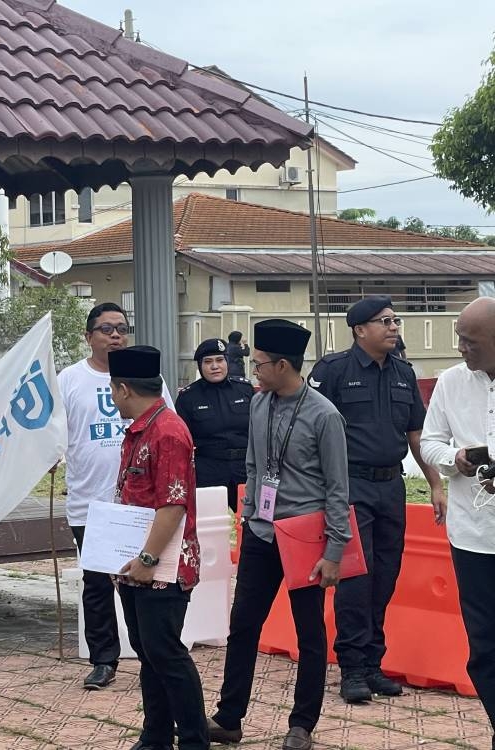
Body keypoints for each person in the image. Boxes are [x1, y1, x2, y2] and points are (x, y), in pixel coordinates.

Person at [208, 319, 350, 750]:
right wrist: (248, 519)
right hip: (261, 534)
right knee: (244, 625)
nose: (253, 370)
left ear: (283, 364)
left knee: (309, 634)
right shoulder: (258, 404)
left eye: (259, 364)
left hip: (305, 538)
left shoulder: (325, 415)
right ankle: (229, 719)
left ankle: (302, 725)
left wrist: (335, 550)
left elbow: (338, 489)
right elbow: (253, 465)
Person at [309, 296, 445, 702]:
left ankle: (373, 663)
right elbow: (310, 429)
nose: (393, 327)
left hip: (391, 486)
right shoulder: (333, 371)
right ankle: (352, 667)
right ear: (359, 330)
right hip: (348, 487)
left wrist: (436, 484)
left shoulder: (403, 373)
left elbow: (417, 435)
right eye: (384, 321)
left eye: (395, 320)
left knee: (385, 575)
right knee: (356, 578)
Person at [58, 302, 173, 690]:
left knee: (137, 582)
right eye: (106, 328)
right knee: (96, 586)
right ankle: (103, 660)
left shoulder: (144, 378)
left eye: (122, 328)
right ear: (88, 336)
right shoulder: (68, 380)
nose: (115, 335)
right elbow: (53, 434)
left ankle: (147, 657)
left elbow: (167, 427)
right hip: (89, 504)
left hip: (138, 506)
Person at [109, 345, 209, 750]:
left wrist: (149, 559)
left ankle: (193, 739)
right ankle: (155, 735)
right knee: (147, 652)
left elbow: (173, 503)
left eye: (113, 391)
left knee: (166, 652)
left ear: (124, 388)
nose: (113, 398)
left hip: (162, 564)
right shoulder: (139, 429)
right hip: (136, 561)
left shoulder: (167, 431)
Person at [421, 296, 495, 747]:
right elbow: (429, 443)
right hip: (472, 535)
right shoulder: (450, 382)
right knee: (485, 646)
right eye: (460, 339)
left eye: (471, 341)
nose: (462, 348)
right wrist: (456, 458)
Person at [176, 338, 253, 511]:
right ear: (200, 366)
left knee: (249, 525)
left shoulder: (244, 390)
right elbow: (181, 441)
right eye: (208, 362)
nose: (215, 366)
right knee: (210, 527)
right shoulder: (188, 398)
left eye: (220, 360)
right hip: (208, 471)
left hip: (244, 469)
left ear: (227, 361)